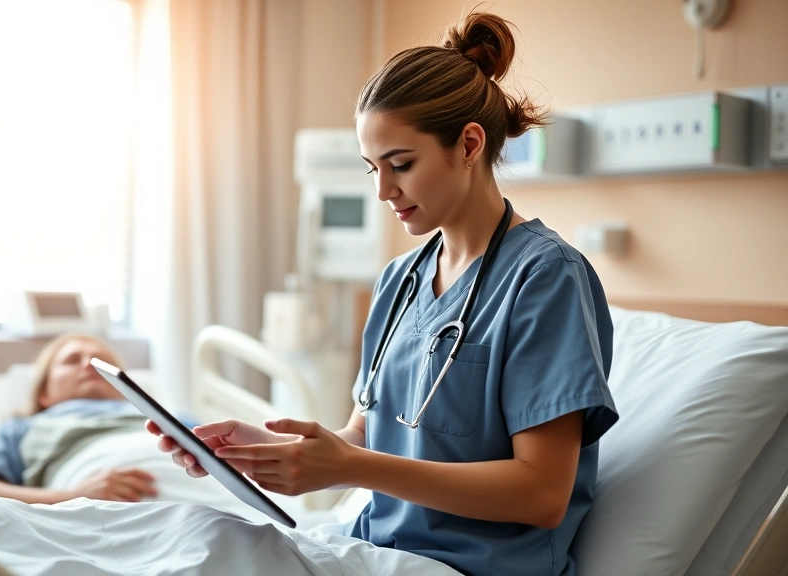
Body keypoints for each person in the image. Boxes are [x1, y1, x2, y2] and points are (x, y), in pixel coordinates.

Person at [150, 11, 619, 575]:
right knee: (185, 541)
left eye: (401, 164)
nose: (382, 190)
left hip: (470, 566)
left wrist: (349, 468)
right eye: (372, 167)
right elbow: (367, 435)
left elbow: (541, 494)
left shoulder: (545, 278)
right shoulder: (400, 281)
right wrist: (263, 452)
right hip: (375, 549)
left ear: (469, 145)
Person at [0, 333, 161, 504]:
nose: (89, 365)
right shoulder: (23, 428)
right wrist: (70, 497)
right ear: (44, 394)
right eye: (72, 360)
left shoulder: (166, 418)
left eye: (102, 362)